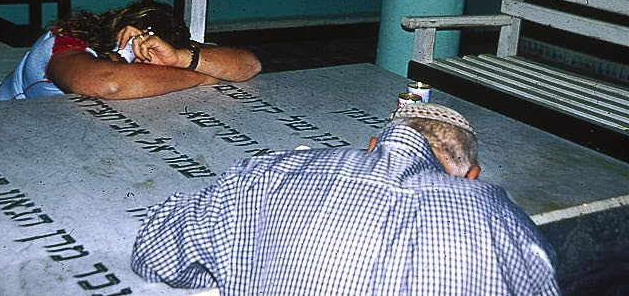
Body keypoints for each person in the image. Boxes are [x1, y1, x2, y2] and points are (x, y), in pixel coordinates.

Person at [131, 103, 560, 295]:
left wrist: (240, 264)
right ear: (471, 175)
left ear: (372, 145)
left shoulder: (266, 173)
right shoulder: (493, 215)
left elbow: (154, 252)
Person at [0, 0, 261, 101]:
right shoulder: (65, 41)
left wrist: (180, 58)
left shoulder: (166, 49)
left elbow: (250, 64)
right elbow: (109, 84)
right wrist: (202, 76)